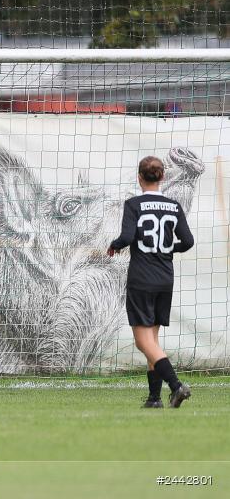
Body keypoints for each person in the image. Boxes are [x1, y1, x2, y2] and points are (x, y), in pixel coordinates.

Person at [107, 156, 194, 409]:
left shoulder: (134, 204)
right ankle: (154, 398)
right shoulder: (174, 206)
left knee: (143, 342)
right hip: (165, 279)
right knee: (152, 340)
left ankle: (176, 386)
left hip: (142, 278)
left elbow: (127, 236)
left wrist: (115, 245)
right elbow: (187, 242)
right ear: (163, 177)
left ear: (139, 177)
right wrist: (166, 248)